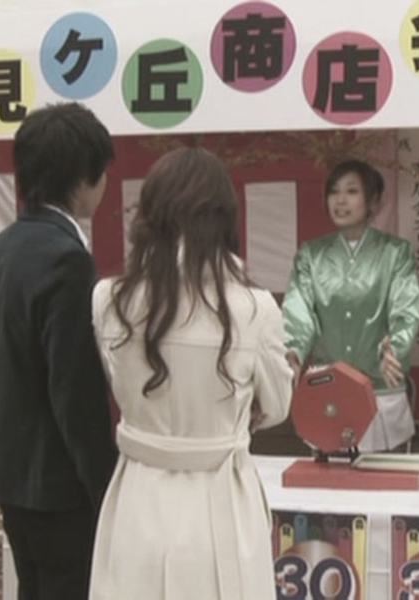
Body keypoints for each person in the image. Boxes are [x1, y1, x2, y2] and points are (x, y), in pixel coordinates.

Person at [89, 147, 293, 599]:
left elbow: (119, 381)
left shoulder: (109, 299)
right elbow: (278, 407)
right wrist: (240, 411)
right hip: (221, 502)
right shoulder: (255, 308)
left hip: (138, 495)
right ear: (224, 218)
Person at [0, 102, 117, 600]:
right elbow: (75, 392)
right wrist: (107, 486)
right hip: (58, 483)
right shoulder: (66, 261)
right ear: (84, 177)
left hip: (8, 470)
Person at [282, 159, 419, 452]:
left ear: (373, 201)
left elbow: (405, 309)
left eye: (352, 191)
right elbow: (299, 309)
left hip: (379, 388)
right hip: (327, 388)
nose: (340, 200)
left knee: (383, 477)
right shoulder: (311, 255)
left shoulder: (395, 253)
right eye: (334, 192)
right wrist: (293, 351)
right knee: (327, 475)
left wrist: (394, 348)